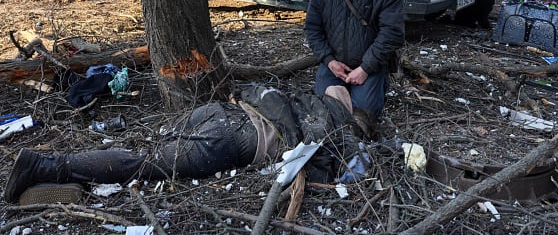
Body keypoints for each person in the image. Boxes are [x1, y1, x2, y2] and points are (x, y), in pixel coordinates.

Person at [3, 85, 370, 204]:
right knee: (146, 165)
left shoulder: (305, 99)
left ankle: (73, 179)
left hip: (219, 111)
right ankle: (43, 166)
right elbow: (354, 175)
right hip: (238, 138)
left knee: (153, 153)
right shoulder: (339, 126)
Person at [304, 0, 405, 119]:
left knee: (362, 115)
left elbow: (392, 34)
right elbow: (312, 28)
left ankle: (378, 84)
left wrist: (366, 68)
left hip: (369, 64)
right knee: (323, 111)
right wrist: (329, 61)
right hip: (334, 63)